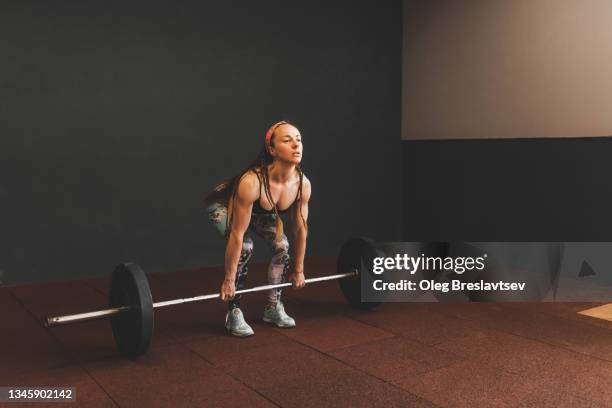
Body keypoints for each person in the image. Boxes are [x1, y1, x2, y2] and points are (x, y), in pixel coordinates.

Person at [204, 121, 311, 337]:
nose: (296, 145)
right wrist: (228, 279)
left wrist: (298, 269)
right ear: (271, 150)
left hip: (261, 211)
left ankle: (273, 307)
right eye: (287, 140)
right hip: (226, 207)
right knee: (245, 245)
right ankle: (233, 311)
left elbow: (300, 230)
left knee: (282, 245)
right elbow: (237, 234)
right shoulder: (252, 182)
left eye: (298, 140)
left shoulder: (302, 184)